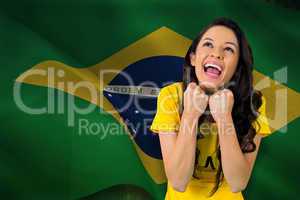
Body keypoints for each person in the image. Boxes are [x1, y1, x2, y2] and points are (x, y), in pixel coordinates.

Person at [150, 17, 273, 200]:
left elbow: (238, 182)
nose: (217, 54)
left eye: (229, 49)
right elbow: (178, 181)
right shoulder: (171, 96)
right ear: (193, 58)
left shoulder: (254, 102)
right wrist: (190, 116)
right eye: (208, 44)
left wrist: (224, 119)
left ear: (237, 66)